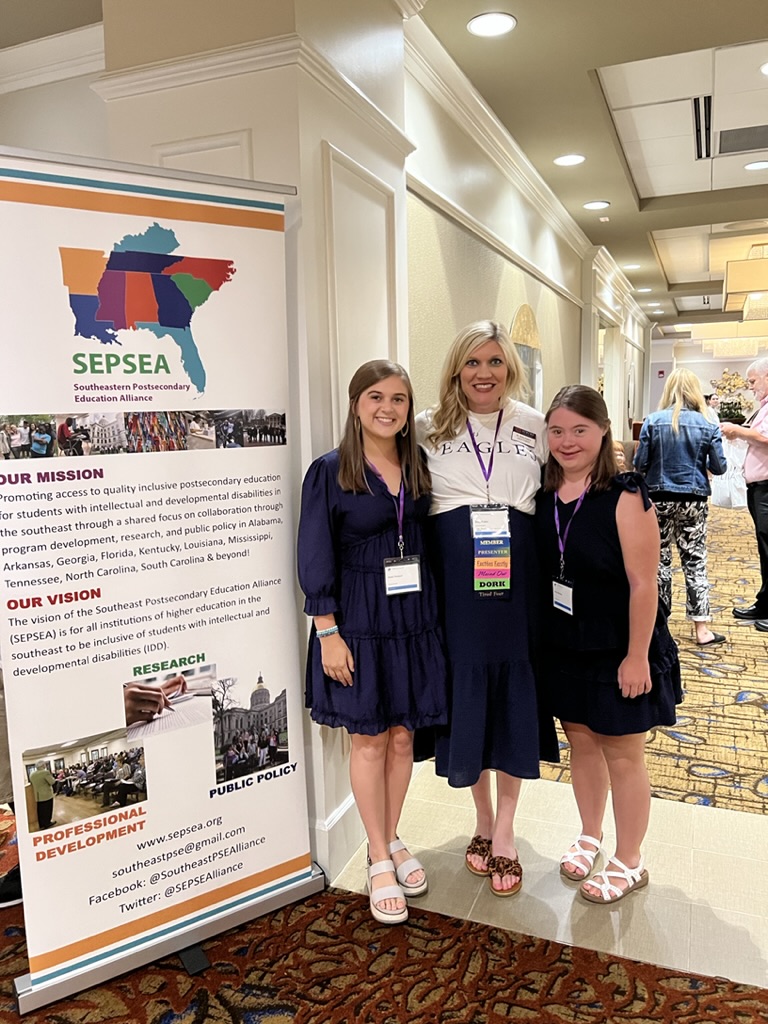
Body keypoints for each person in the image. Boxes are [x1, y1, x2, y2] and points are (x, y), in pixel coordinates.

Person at [298, 359, 447, 925]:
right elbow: (314, 554)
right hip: (357, 621)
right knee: (369, 740)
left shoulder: (419, 465)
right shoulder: (329, 471)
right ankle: (378, 857)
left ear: (409, 409)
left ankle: (390, 835)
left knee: (403, 737)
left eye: (399, 399)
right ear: (356, 404)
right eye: (376, 397)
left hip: (413, 618)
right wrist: (327, 633)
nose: (388, 408)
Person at [416, 320, 558, 898]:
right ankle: (480, 818)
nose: (483, 373)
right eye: (472, 362)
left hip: (518, 581)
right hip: (455, 579)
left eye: (495, 362)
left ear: (510, 368)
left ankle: (505, 830)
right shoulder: (427, 426)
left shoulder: (533, 424)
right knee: (468, 687)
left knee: (512, 687)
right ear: (456, 369)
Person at [535, 385, 681, 903]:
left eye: (580, 430)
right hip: (566, 644)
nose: (567, 441)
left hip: (619, 646)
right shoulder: (543, 494)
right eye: (557, 431)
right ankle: (590, 834)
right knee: (582, 746)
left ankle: (630, 859)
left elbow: (644, 585)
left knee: (623, 755)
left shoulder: (626, 497)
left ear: (602, 431)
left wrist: (637, 656)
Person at [634, 369, 727, 646]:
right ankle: (702, 630)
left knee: (658, 562)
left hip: (658, 498)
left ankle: (660, 628)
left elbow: (640, 463)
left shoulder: (653, 421)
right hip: (693, 499)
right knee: (695, 560)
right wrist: (698, 461)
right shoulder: (708, 424)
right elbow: (719, 467)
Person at [721, 357, 768, 630]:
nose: (750, 387)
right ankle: (764, 603)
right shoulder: (763, 408)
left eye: (752, 381)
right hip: (758, 488)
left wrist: (738, 430)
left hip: (766, 489)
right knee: (764, 547)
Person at [29, 760, 57, 830]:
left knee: (40, 810)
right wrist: (53, 778)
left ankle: (41, 824)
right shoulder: (45, 772)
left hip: (37, 796)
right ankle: (47, 823)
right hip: (46, 795)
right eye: (45, 764)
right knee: (47, 810)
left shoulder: (32, 774)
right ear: (43, 765)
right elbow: (52, 782)